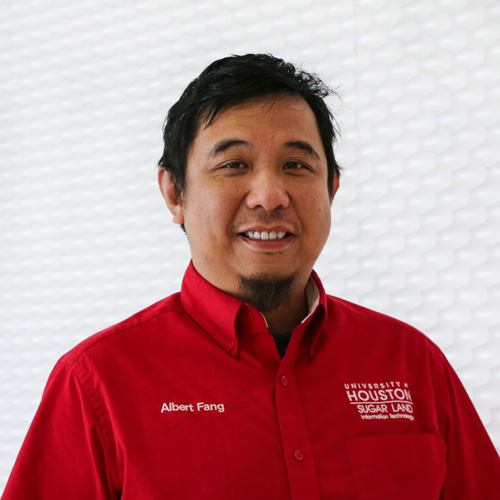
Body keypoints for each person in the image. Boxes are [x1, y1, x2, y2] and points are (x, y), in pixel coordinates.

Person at [2, 53, 499, 499]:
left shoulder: (413, 365)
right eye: (234, 164)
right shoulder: (97, 383)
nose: (269, 195)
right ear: (175, 193)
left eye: (296, 165)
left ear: (332, 188)